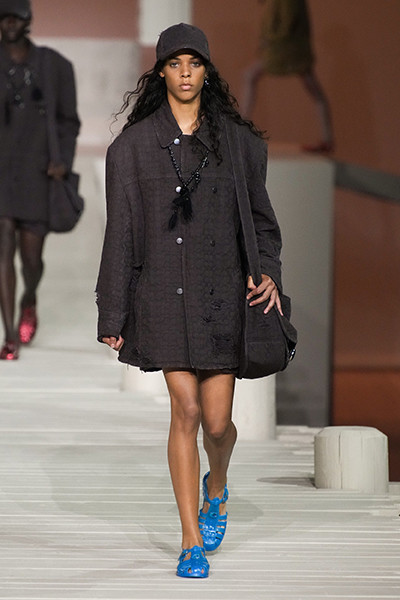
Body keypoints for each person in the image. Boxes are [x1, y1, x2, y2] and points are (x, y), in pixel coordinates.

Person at [96, 23, 283, 578]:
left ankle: (216, 487)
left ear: (206, 71)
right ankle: (189, 541)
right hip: (161, 294)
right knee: (188, 410)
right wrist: (113, 311)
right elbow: (120, 233)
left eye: (194, 63)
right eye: (175, 63)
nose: (184, 73)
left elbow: (263, 223)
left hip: (221, 295)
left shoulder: (239, 145)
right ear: (160, 72)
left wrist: (268, 274)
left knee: (219, 423)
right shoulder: (131, 149)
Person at [0, 0, 80, 360]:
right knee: (3, 247)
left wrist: (62, 160)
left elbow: (69, 120)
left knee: (31, 259)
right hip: (3, 171)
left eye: (15, 17)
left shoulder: (54, 65)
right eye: (3, 17)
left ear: (27, 20)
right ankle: (9, 335)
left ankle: (29, 298)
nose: (9, 23)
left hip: (38, 172)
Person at [241, 0, 333, 152]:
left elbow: (287, 23)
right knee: (316, 94)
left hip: (285, 51)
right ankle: (327, 139)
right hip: (289, 51)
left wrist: (269, 40)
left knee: (249, 76)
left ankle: (241, 128)